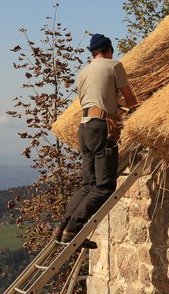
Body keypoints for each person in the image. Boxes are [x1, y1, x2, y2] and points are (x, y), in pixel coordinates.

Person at [54, 34, 138, 248]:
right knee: (103, 187)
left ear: (93, 53)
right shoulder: (114, 65)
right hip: (101, 128)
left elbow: (92, 101)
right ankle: (74, 228)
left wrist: (114, 108)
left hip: (84, 128)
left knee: (87, 185)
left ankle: (63, 227)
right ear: (109, 49)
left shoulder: (84, 72)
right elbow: (129, 97)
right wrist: (139, 114)